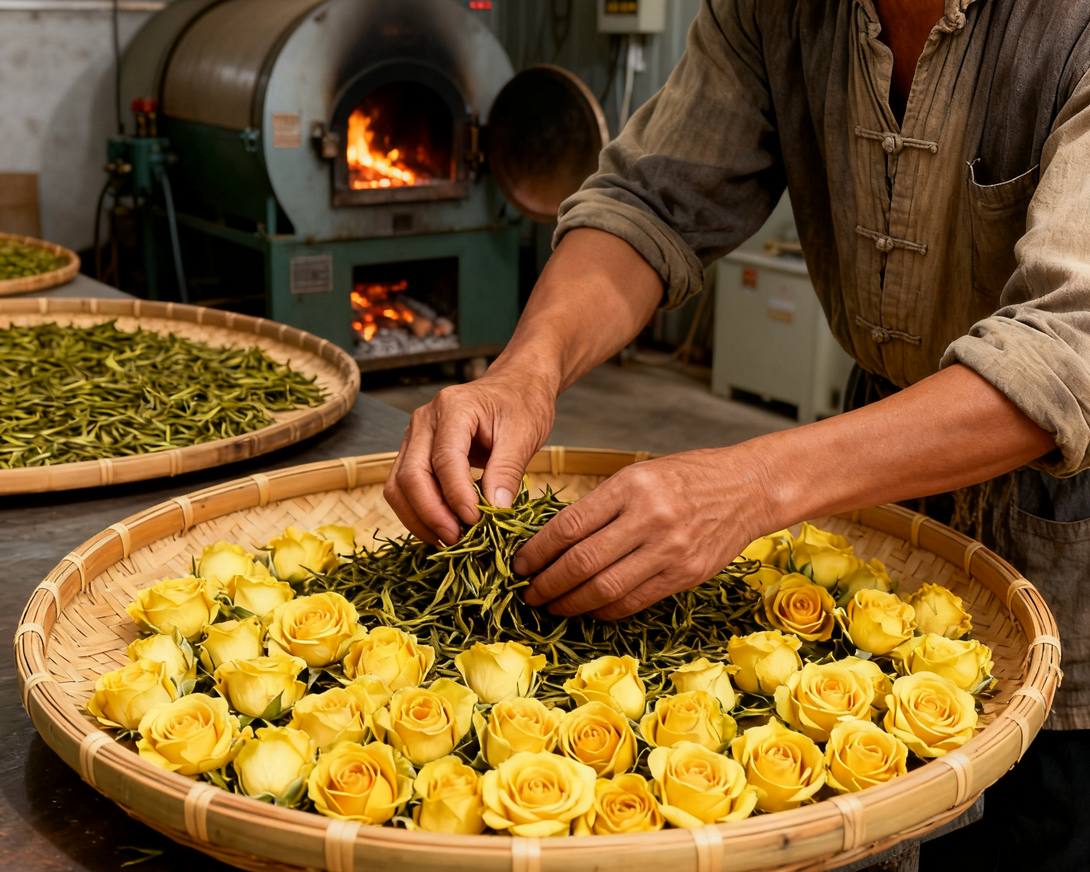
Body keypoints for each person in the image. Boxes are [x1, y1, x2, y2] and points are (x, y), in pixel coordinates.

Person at [386, 1, 1090, 868]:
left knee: (1041, 825)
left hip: (1073, 536)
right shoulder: (779, 10)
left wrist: (755, 484)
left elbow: (1070, 345)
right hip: (881, 480)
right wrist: (525, 371)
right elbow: (651, 202)